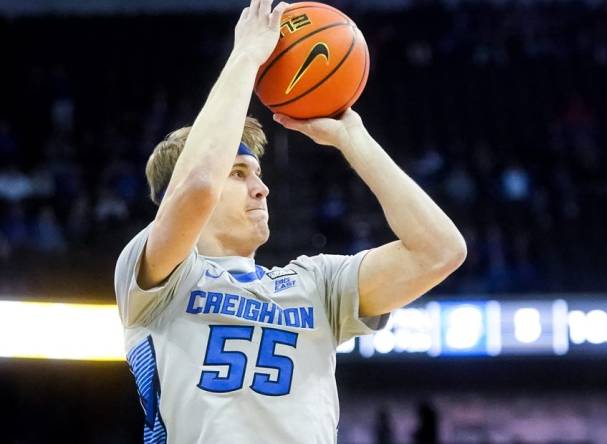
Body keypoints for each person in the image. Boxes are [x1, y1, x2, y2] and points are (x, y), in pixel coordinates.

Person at [113, 0, 466, 443]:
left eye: (258, 175)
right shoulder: (155, 278)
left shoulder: (316, 284)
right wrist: (246, 55)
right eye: (239, 174)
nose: (261, 189)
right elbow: (198, 186)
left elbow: (441, 251)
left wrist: (354, 138)